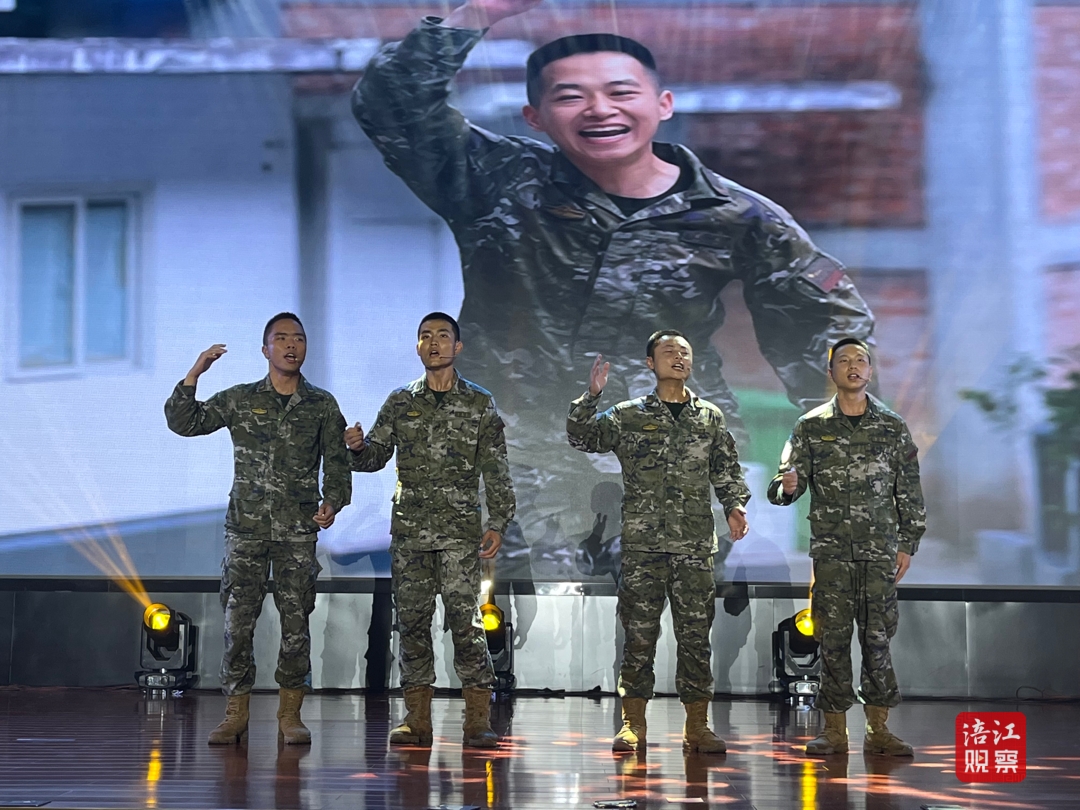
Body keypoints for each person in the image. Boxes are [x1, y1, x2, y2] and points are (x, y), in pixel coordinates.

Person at [352, 0, 875, 580]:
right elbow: (391, 107)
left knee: (664, 623)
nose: (600, 109)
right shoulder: (495, 181)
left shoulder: (737, 215)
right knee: (498, 621)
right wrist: (474, 15)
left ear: (663, 104)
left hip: (670, 465)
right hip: (504, 462)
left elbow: (826, 329)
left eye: (621, 92)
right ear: (534, 116)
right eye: (570, 96)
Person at [164, 312, 352, 745]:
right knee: (238, 625)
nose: (291, 345)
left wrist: (333, 503)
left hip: (296, 532)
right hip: (246, 530)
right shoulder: (242, 399)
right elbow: (184, 422)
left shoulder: (322, 404)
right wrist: (195, 373)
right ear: (265, 349)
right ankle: (235, 713)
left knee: (296, 626)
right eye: (281, 338)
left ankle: (290, 714)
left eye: (298, 338)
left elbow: (337, 463)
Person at [566, 330, 750, 753]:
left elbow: (726, 469)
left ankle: (697, 727)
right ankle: (633, 725)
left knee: (695, 640)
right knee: (638, 638)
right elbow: (582, 438)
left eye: (685, 352)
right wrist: (591, 397)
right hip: (643, 548)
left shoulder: (710, 417)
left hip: (693, 548)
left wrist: (734, 506)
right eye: (668, 352)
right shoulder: (629, 415)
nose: (678, 357)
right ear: (650, 363)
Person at [345, 312, 515, 748]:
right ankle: (416, 719)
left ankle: (477, 719)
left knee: (467, 624)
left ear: (457, 347)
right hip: (411, 534)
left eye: (442, 336)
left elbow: (496, 467)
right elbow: (375, 457)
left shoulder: (478, 402)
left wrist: (498, 521)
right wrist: (358, 448)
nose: (434, 343)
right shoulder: (401, 401)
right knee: (413, 623)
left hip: (459, 533)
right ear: (418, 346)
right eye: (425, 336)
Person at [766, 337, 925, 756]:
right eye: (844, 361)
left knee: (878, 641)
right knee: (832, 641)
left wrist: (907, 543)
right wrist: (788, 488)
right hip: (832, 555)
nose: (853, 366)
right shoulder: (810, 426)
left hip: (878, 554)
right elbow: (782, 487)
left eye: (860, 360)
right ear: (831, 371)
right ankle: (834, 731)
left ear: (870, 371)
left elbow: (909, 490)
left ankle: (879, 730)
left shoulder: (892, 427)